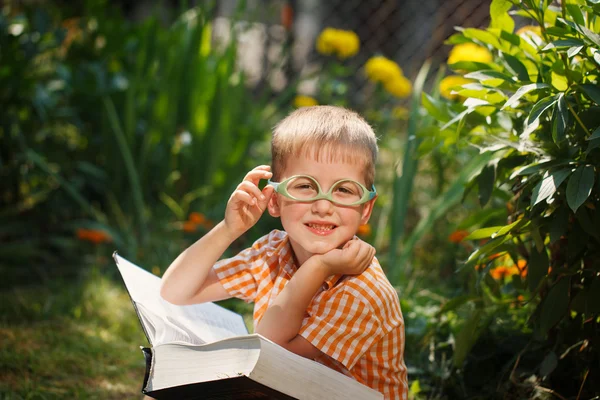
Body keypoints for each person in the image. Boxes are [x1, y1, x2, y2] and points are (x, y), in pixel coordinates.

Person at [160, 105, 408, 399]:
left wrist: (319, 267)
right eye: (305, 186)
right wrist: (229, 228)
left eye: (343, 190)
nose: (323, 205)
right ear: (274, 200)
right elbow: (175, 291)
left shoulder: (363, 292)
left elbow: (270, 360)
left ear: (365, 208)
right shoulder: (273, 251)